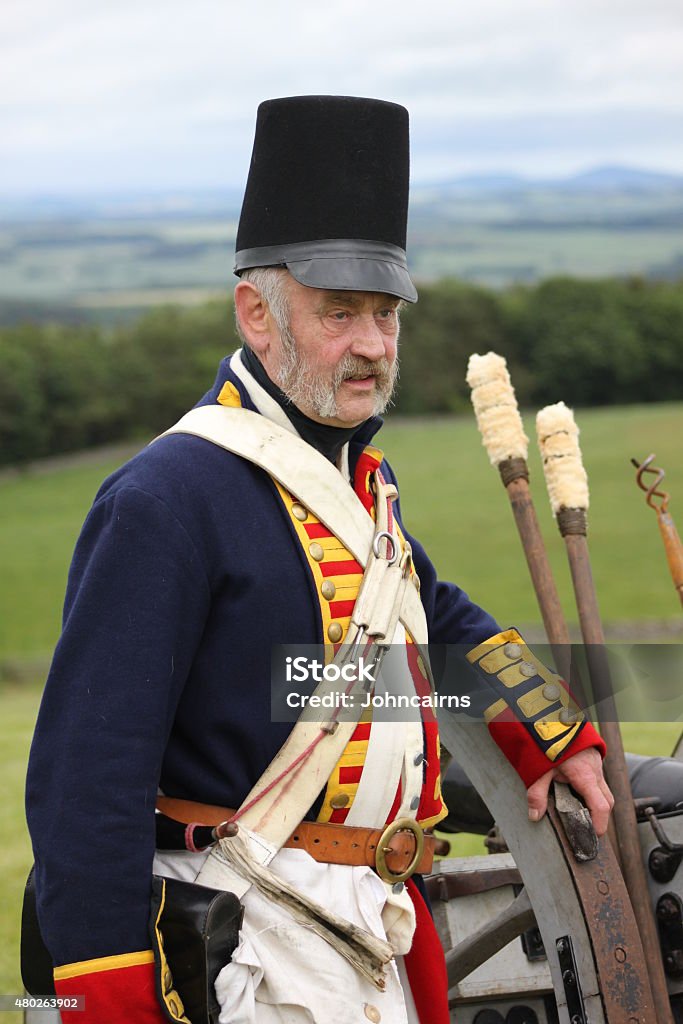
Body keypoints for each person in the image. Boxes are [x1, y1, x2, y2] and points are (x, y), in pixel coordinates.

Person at [26, 96, 613, 1024]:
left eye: (384, 314)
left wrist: (548, 730)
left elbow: (433, 614)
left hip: (367, 931)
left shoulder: (352, 481)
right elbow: (84, 778)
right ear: (257, 313)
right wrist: (106, 992)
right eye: (340, 314)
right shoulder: (166, 499)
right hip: (244, 941)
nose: (373, 347)